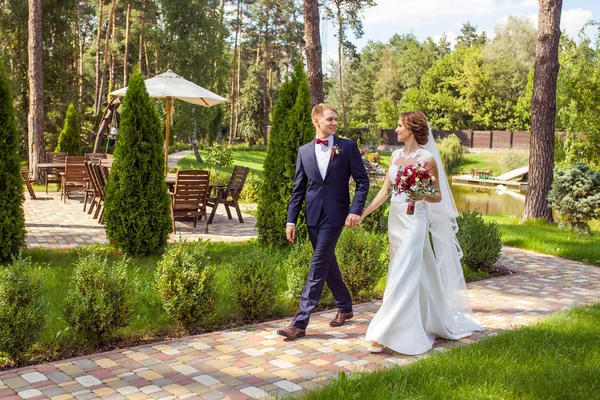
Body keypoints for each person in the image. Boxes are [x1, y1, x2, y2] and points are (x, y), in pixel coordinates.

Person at [360, 110, 482, 354]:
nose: (396, 130)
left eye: (399, 125)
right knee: (400, 271)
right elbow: (385, 192)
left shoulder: (427, 159)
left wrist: (422, 194)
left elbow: (437, 196)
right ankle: (428, 318)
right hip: (395, 221)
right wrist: (363, 213)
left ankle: (385, 332)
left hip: (415, 220)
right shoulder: (394, 155)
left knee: (404, 272)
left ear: (412, 128)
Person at [277, 104, 370, 340]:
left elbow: (362, 182)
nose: (335, 123)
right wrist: (291, 221)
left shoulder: (347, 147)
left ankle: (299, 323)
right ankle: (345, 307)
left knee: (318, 265)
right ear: (316, 121)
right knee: (328, 264)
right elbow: (298, 190)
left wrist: (356, 210)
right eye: (330, 119)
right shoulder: (304, 151)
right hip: (313, 216)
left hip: (336, 215)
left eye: (336, 120)